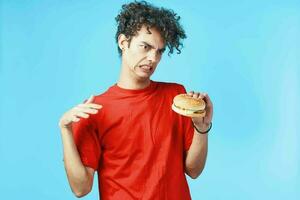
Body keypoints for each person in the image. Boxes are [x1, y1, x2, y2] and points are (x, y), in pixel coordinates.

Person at [58, 1, 213, 199]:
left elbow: (193, 171)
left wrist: (201, 127)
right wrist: (65, 129)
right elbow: (81, 188)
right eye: (145, 47)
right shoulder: (96, 108)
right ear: (123, 42)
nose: (153, 58)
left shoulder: (176, 96)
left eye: (159, 51)